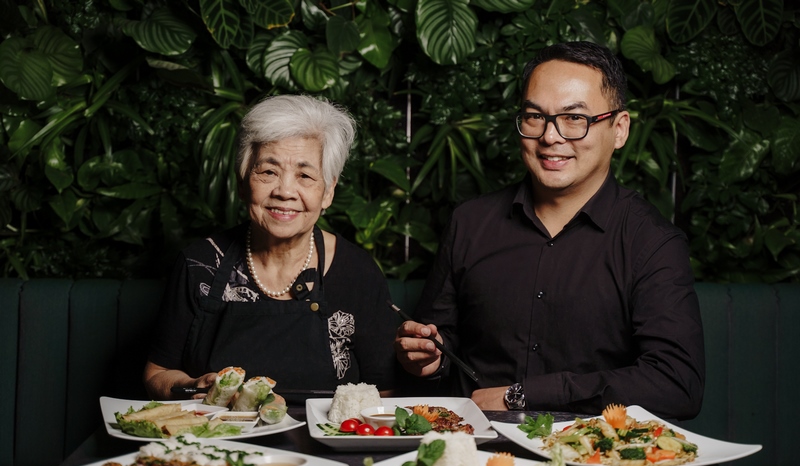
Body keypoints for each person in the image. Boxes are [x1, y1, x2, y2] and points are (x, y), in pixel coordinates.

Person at [394, 42, 705, 420]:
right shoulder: (470, 222)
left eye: (575, 119)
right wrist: (427, 359)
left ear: (619, 129)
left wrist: (522, 396)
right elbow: (441, 346)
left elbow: (677, 384)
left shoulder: (652, 242)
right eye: (534, 117)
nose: (550, 137)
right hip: (473, 453)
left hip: (591, 456)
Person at [144, 94, 399, 402]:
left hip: (326, 444)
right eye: (268, 171)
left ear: (328, 192)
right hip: (219, 441)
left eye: (305, 175)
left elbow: (383, 393)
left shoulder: (357, 273)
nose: (285, 191)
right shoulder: (199, 265)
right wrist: (196, 385)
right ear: (242, 182)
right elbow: (157, 374)